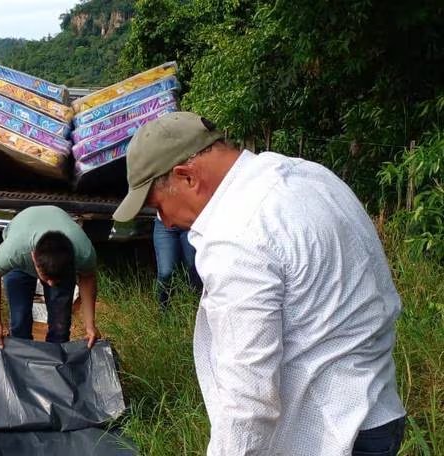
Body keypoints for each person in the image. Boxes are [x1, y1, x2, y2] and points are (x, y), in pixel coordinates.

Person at [113, 112, 406, 455]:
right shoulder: (305, 174)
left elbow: (248, 400)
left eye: (158, 206)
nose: (166, 222)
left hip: (332, 435)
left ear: (187, 177)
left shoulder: (237, 235)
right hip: (378, 410)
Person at [0, 205, 102, 349]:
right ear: (33, 258)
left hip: (59, 236)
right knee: (19, 320)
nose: (51, 284)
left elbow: (88, 278)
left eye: (56, 279)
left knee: (60, 326)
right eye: (47, 278)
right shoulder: (14, 252)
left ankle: (56, 362)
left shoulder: (83, 252)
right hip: (21, 249)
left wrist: (90, 326)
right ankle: (22, 359)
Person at [152, 217, 202, 311]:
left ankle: (195, 311)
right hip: (164, 224)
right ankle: (163, 311)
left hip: (191, 224)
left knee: (192, 269)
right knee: (166, 272)